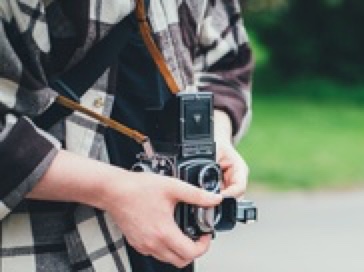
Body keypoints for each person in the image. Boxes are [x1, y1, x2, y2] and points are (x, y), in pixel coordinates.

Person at [0, 0, 253, 271]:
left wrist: (213, 138)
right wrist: (112, 189)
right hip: (41, 251)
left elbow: (226, 62)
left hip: (165, 251)